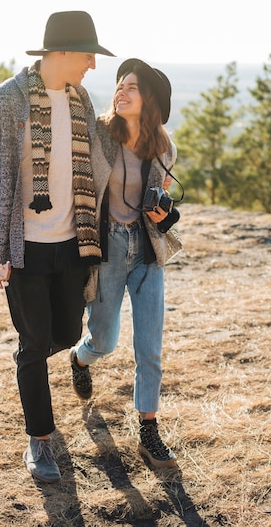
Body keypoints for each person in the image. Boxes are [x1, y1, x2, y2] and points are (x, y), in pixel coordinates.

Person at [0, 11, 115, 484]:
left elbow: (96, 163)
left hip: (74, 242)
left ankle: (38, 356)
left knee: (68, 333)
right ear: (64, 52)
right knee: (34, 345)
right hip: (23, 250)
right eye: (88, 54)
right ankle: (41, 440)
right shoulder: (3, 104)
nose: (92, 64)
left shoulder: (82, 101)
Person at [70, 58, 183, 468]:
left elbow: (165, 211)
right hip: (108, 249)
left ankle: (148, 431)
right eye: (119, 84)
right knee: (105, 339)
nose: (121, 90)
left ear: (148, 99)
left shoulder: (165, 147)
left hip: (147, 251)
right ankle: (80, 359)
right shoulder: (100, 133)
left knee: (149, 345)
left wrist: (163, 215)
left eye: (132, 86)